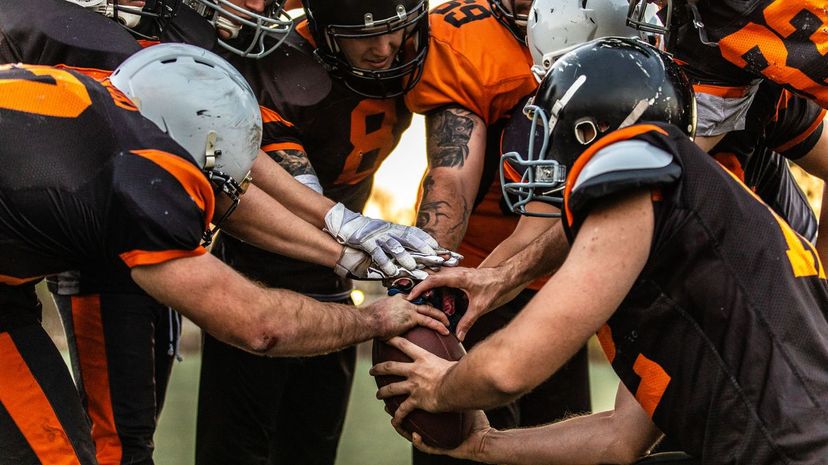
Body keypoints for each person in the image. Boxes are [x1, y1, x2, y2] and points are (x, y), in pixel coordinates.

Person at [371, 37, 828, 465]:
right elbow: (620, 440)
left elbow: (506, 370)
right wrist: (485, 445)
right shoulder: (686, 237)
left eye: (552, 126)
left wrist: (440, 388)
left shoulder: (638, 159)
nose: (544, 147)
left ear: (594, 129)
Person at [0, 43, 450, 465]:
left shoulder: (84, 90)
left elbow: (229, 199)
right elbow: (260, 327)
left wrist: (343, 252)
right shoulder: (143, 174)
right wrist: (374, 319)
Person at [193, 1, 449, 464]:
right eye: (365, 35)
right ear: (326, 31)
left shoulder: (419, 54)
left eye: (397, 32)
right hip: (259, 279)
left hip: (337, 287)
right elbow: (290, 194)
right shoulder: (279, 62)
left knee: (312, 452)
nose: (385, 49)